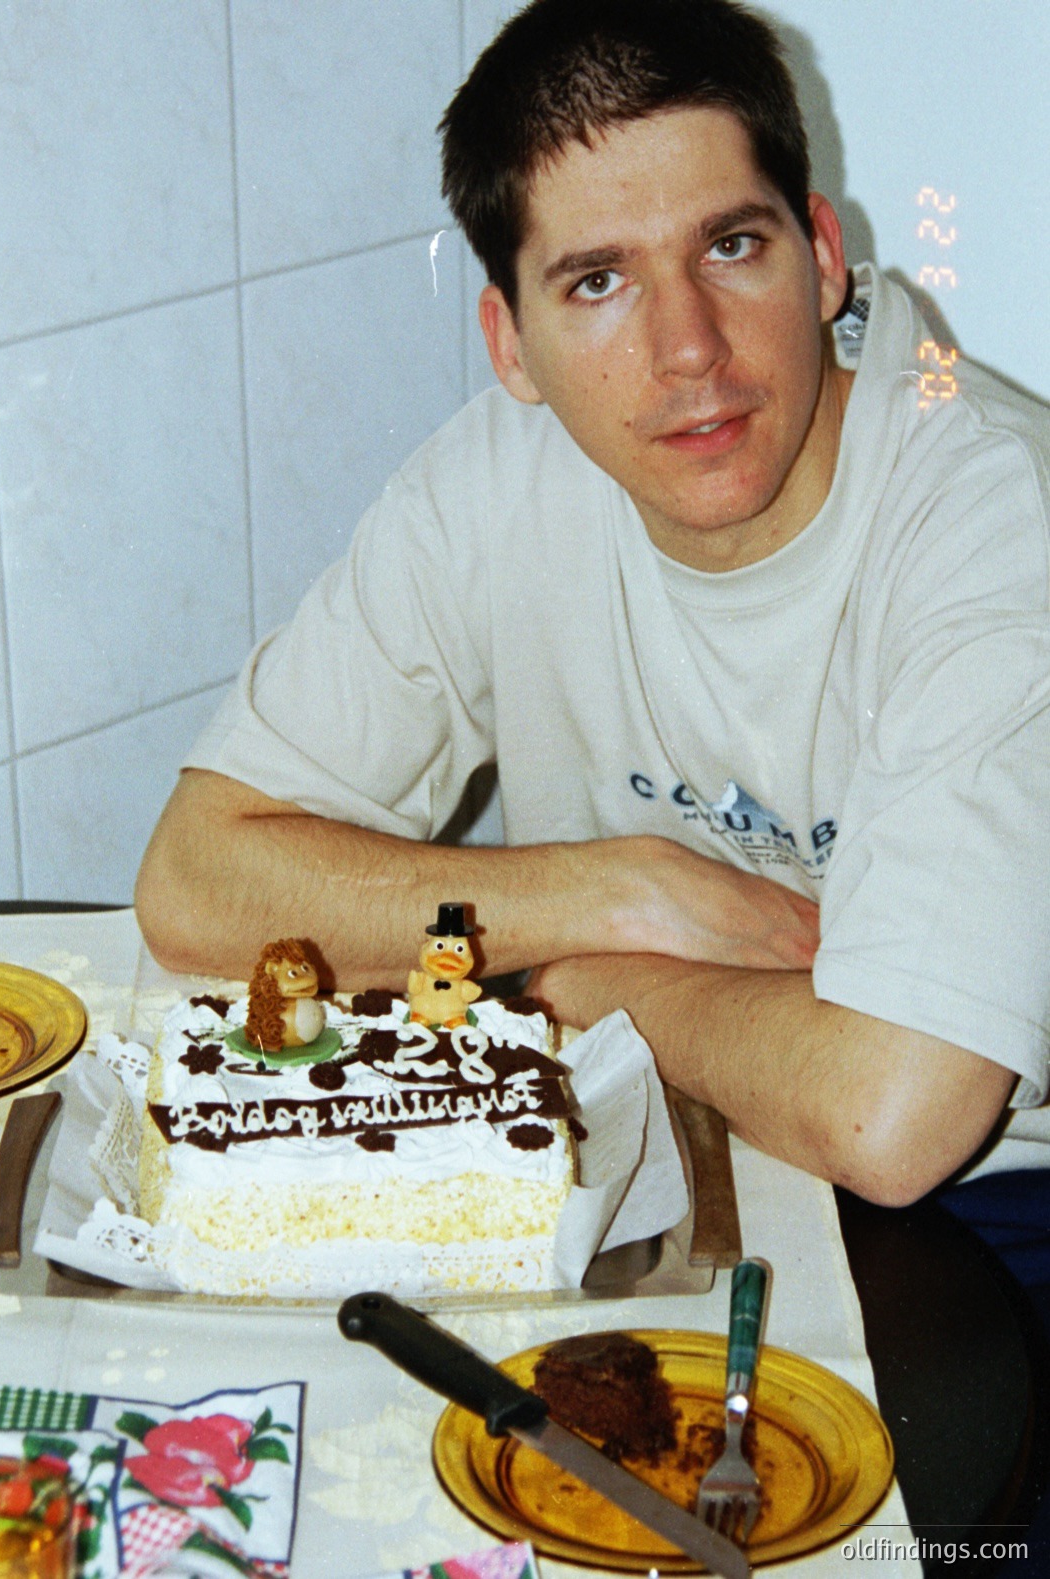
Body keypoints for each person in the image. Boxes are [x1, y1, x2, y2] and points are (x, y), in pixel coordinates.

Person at [134, 0, 1050, 1213]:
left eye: (730, 246)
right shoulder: (495, 481)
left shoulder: (991, 509)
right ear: (509, 344)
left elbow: (895, 1116)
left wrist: (567, 976)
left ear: (822, 254)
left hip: (982, 1212)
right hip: (643, 1121)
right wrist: (617, 888)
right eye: (599, 280)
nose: (687, 349)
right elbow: (196, 882)